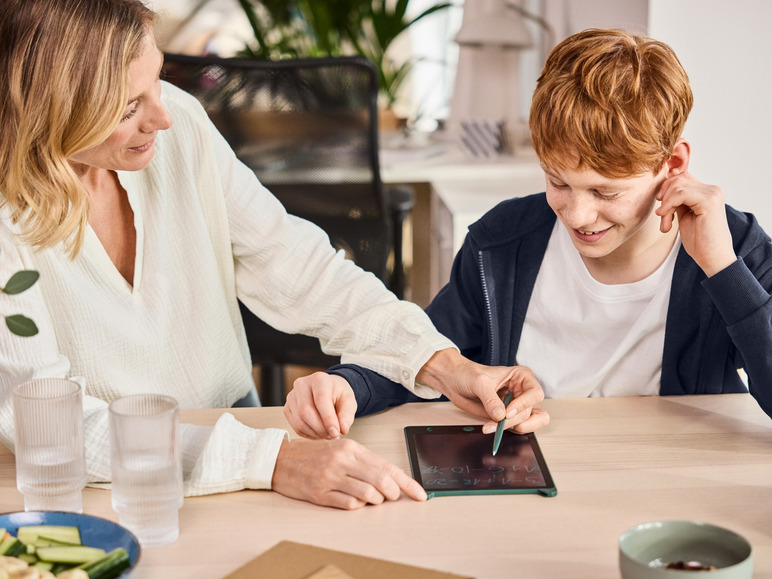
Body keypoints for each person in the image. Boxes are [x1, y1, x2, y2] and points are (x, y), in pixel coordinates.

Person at [0, 0, 548, 510]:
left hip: (238, 442)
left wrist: (443, 364)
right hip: (110, 488)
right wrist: (271, 459)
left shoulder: (182, 127)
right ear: (48, 113)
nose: (162, 118)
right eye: (126, 109)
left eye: (158, 81)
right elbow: (52, 430)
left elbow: (300, 267)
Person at [285, 28, 772, 439]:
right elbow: (428, 353)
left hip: (668, 483)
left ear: (674, 165)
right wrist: (347, 385)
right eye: (558, 182)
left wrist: (723, 270)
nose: (579, 215)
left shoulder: (734, 247)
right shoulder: (502, 242)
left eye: (606, 192)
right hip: (527, 473)